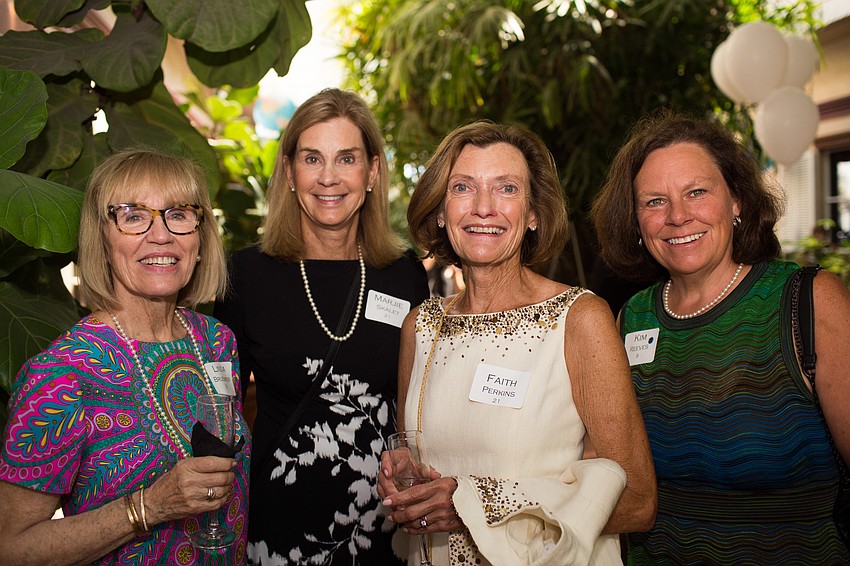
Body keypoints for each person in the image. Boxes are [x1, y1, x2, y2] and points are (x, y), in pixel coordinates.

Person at [378, 121, 657, 565]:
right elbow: (421, 456)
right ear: (439, 210)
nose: (484, 207)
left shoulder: (579, 318)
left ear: (534, 214)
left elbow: (638, 502)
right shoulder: (421, 327)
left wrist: (473, 506)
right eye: (463, 187)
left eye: (506, 188)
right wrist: (406, 478)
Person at [591, 112, 850, 563]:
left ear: (737, 201)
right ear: (635, 220)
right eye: (654, 201)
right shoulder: (630, 318)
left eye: (696, 192)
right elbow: (602, 464)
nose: (677, 216)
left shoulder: (808, 301)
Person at [0, 148, 251, 565]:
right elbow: (10, 548)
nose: (161, 235)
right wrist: (150, 506)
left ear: (200, 234)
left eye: (179, 213)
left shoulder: (216, 341)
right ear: (102, 237)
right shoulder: (62, 373)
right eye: (133, 216)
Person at [214, 88, 430, 565]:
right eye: (312, 158)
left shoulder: (404, 273)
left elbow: (419, 401)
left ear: (372, 171)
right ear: (289, 171)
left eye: (346, 158)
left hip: (385, 520)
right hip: (278, 519)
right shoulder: (246, 275)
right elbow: (219, 405)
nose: (329, 177)